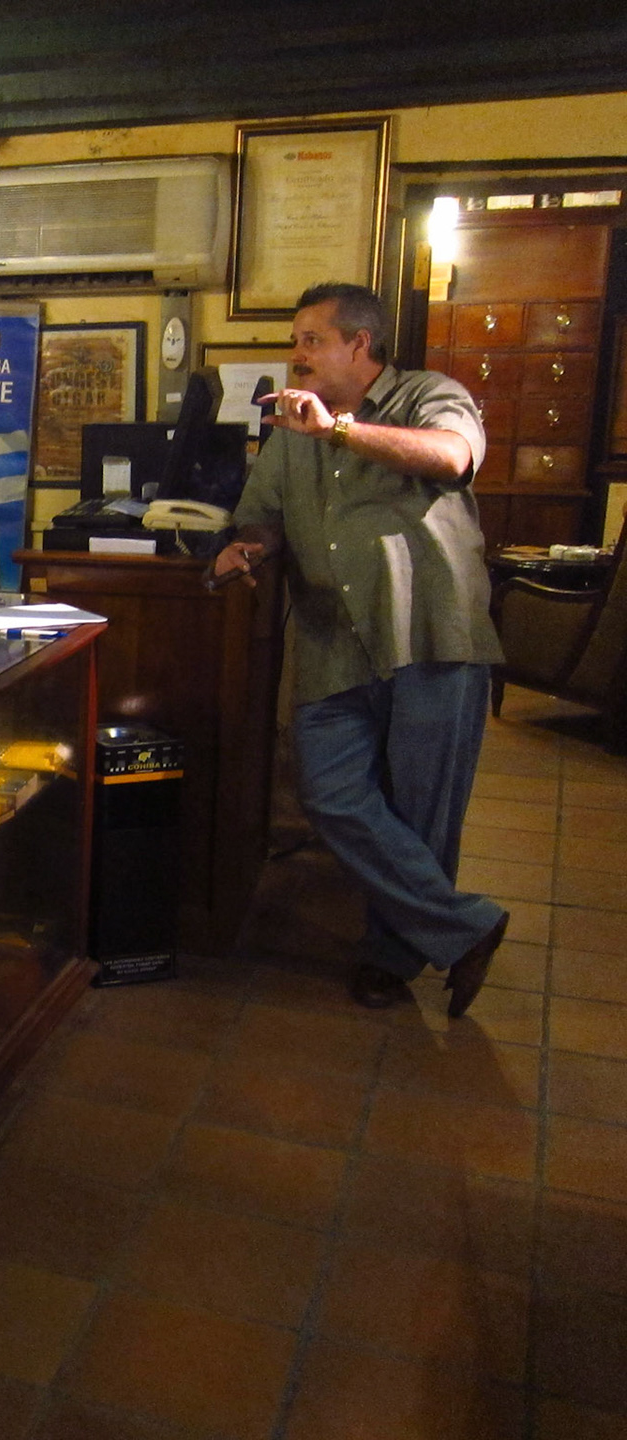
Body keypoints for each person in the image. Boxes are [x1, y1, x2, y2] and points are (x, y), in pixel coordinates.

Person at [210, 282, 508, 1014]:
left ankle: (393, 957)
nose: (296, 354)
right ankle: (467, 929)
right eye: (296, 340)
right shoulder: (288, 431)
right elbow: (265, 516)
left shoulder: (430, 395)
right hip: (332, 639)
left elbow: (453, 457)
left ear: (360, 346)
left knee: (422, 810)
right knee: (330, 792)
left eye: (310, 340)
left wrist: (338, 431)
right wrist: (247, 548)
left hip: (430, 634)